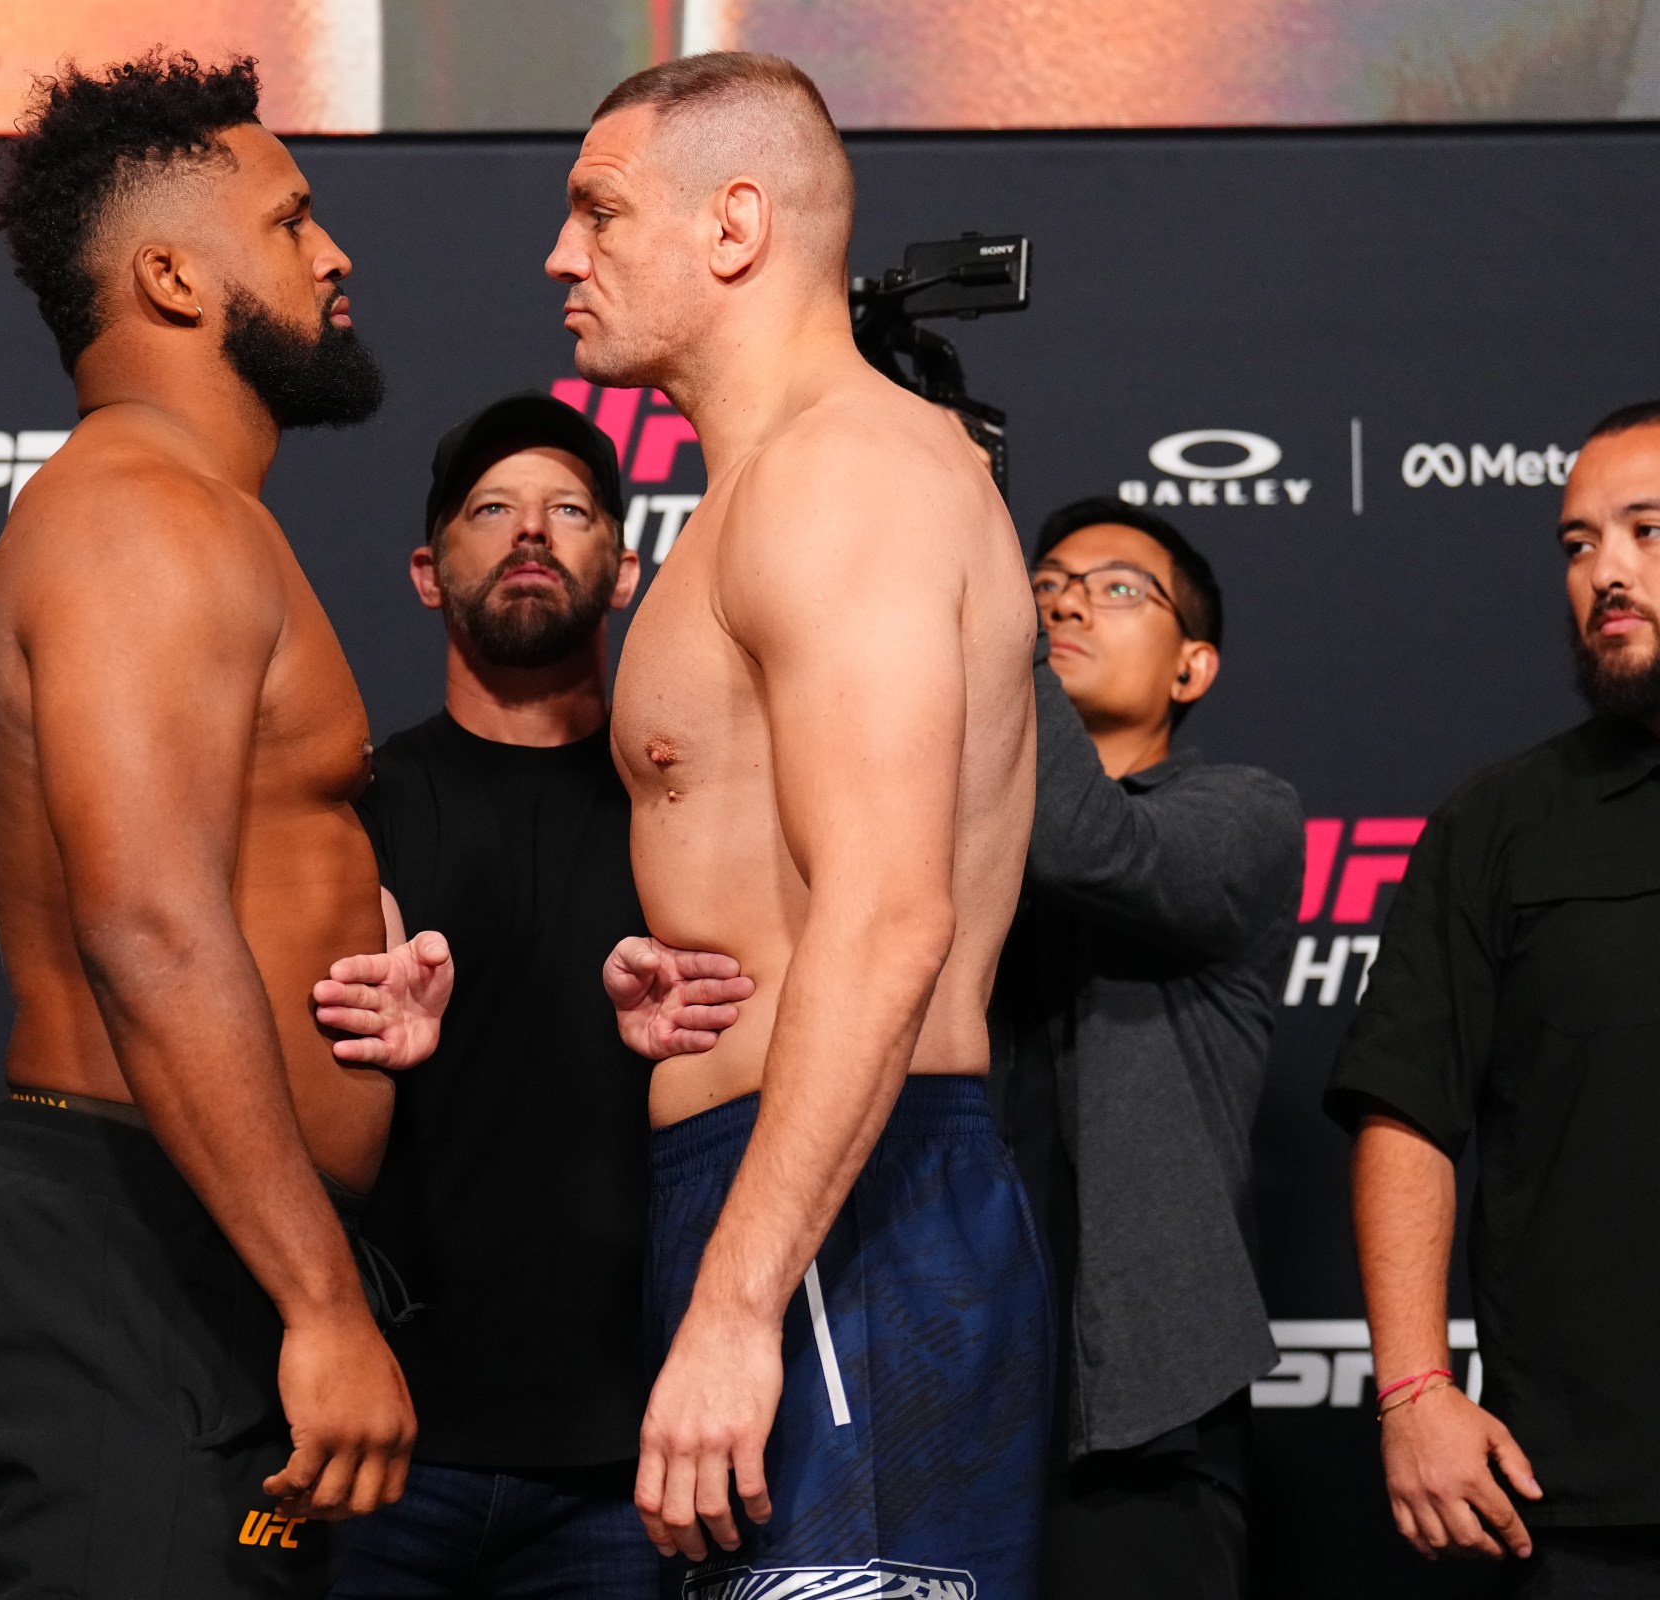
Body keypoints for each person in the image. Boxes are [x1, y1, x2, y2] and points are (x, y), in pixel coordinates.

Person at [0, 54, 454, 1599]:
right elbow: (145, 923)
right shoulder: (142, 513)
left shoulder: (193, 514)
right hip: (130, 1238)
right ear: (172, 277)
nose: (333, 254)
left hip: (203, 1240)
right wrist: (323, 1303)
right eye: (292, 220)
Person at [553, 51, 1050, 1595]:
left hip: (851, 1217)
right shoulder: (756, 491)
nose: (562, 256)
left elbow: (894, 918)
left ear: (736, 224)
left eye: (599, 212)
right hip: (780, 1189)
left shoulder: (845, 472)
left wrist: (738, 1304)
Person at [329, 393, 750, 1599]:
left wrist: (692, 1045)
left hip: (630, 1456)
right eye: (492, 510)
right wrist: (351, 1035)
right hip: (384, 1433)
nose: (530, 531)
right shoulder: (349, 812)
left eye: (569, 510)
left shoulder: (694, 817)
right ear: (427, 573)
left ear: (624, 570)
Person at [1329, 400, 1660, 1596]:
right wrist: (1415, 1390)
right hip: (1579, 1497)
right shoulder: (1500, 822)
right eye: (1578, 544)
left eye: (1647, 530)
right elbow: (1407, 1109)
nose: (1606, 572)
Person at [992, 498, 1304, 1598]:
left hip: (1140, 1421)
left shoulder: (1244, 814)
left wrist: (993, 612)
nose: (1066, 603)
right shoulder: (936, 842)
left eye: (1118, 589)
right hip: (947, 1385)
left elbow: (1089, 846)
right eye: (1046, 584)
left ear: (1192, 667)